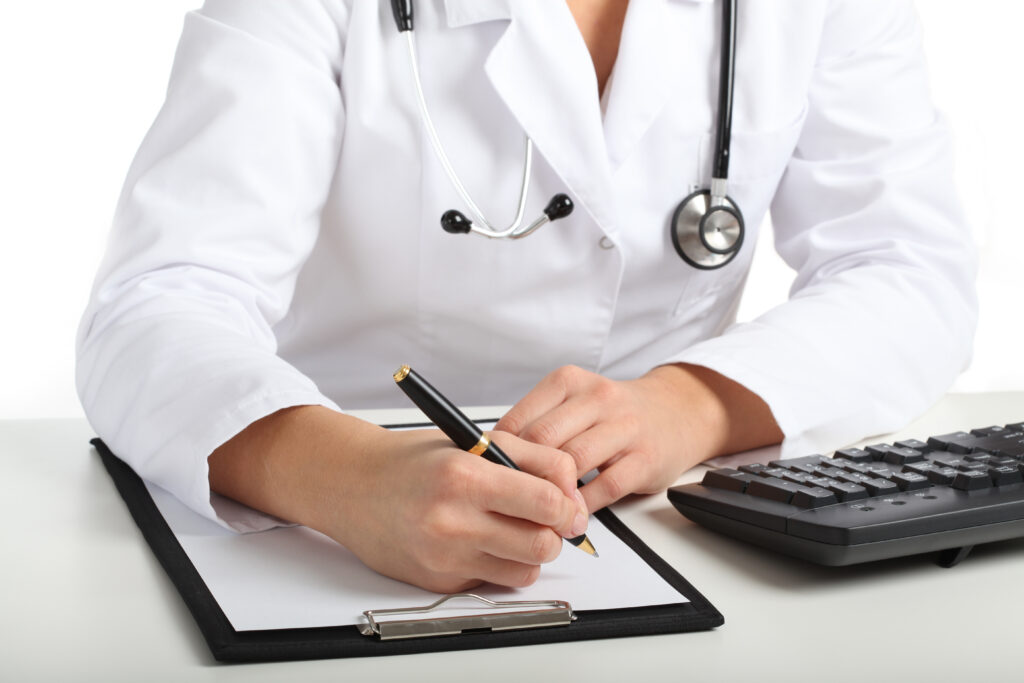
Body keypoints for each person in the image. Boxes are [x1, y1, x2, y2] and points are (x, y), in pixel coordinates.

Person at [76, 0, 976, 593]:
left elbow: (909, 271)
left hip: (667, 527)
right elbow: (157, 303)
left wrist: (687, 405)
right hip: (331, 539)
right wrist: (343, 477)